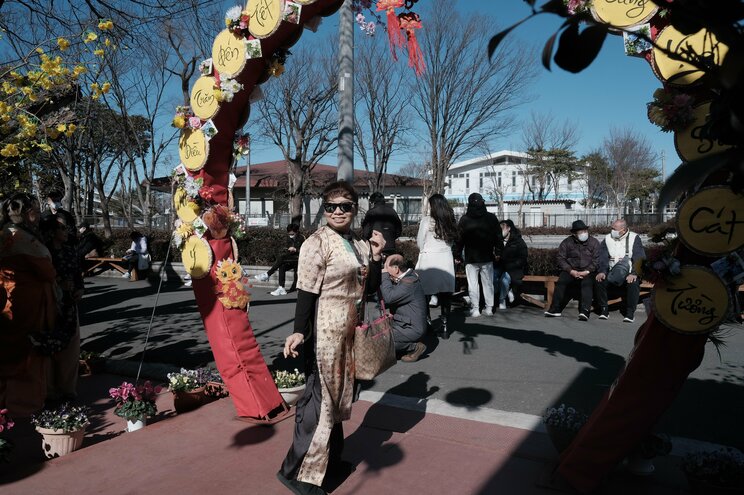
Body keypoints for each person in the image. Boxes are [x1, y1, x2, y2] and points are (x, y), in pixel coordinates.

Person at [278, 181, 385, 495]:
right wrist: (299, 330)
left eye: (345, 206)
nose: (338, 211)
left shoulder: (359, 243)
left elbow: (372, 287)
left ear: (354, 209)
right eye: (331, 206)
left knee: (339, 399)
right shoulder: (316, 242)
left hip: (350, 331)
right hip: (325, 330)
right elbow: (306, 292)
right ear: (323, 209)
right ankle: (300, 473)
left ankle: (330, 461)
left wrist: (377, 256)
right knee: (322, 402)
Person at [0, 193, 57, 416]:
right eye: (33, 210)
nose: (36, 215)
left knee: (7, 348)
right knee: (28, 350)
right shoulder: (21, 237)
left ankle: (6, 400)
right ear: (24, 213)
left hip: (8, 298)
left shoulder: (4, 233)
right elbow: (46, 269)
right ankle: (24, 403)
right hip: (25, 300)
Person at [40, 213, 84, 402]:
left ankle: (68, 388)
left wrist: (80, 289)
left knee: (71, 346)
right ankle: (49, 390)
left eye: (67, 227)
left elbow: (77, 273)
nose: (66, 231)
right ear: (51, 231)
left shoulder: (70, 250)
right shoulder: (43, 251)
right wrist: (58, 284)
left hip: (69, 304)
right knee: (50, 344)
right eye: (62, 228)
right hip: (49, 304)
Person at [415, 194, 458, 338]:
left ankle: (427, 324)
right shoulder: (450, 221)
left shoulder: (426, 221)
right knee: (446, 294)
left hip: (429, 260)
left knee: (425, 293)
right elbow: (452, 242)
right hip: (445, 259)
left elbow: (420, 242)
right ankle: (445, 326)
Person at [454, 193, 501, 318]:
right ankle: (489, 308)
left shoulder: (464, 219)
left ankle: (475, 309)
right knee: (488, 283)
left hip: (471, 257)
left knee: (473, 283)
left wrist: (457, 254)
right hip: (487, 256)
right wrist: (498, 252)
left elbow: (459, 240)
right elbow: (498, 237)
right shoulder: (491, 218)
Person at [545, 220, 601, 321]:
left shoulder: (594, 242)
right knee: (561, 282)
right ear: (574, 234)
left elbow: (597, 260)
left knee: (587, 284)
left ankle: (585, 311)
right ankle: (555, 309)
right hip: (571, 270)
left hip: (588, 271)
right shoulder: (567, 242)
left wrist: (587, 271)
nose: (584, 233)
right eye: (580, 232)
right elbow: (560, 258)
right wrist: (570, 271)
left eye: (585, 231)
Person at [594, 219, 646, 322]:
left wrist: (634, 273)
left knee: (633, 283)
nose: (612, 230)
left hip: (630, 271)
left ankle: (630, 313)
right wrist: (602, 271)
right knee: (599, 280)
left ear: (622, 229)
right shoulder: (607, 238)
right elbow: (602, 257)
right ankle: (604, 309)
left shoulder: (634, 238)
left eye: (614, 228)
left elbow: (640, 257)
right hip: (612, 271)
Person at [380, 254, 427, 362]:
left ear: (396, 269)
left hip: (412, 328)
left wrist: (384, 276)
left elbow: (389, 298)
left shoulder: (409, 283)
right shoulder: (406, 278)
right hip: (403, 322)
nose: (384, 270)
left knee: (380, 341)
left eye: (386, 267)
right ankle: (401, 346)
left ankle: (414, 347)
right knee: (376, 330)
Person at [254, 223, 305, 296]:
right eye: (289, 234)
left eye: (292, 234)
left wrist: (296, 249)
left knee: (282, 258)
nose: (290, 236)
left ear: (296, 232)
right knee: (282, 266)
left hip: (299, 259)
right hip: (291, 259)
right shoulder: (288, 238)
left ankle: (268, 274)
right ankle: (281, 287)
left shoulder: (302, 238)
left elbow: (306, 251)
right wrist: (288, 250)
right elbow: (287, 249)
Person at [494, 219, 528, 310]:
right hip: (500, 266)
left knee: (504, 280)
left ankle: (502, 299)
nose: (500, 231)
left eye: (502, 229)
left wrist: (513, 265)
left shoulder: (518, 241)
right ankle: (500, 293)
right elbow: (496, 253)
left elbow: (523, 257)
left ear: (508, 228)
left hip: (514, 268)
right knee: (492, 276)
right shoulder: (498, 240)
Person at [361, 192, 402, 257]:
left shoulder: (371, 213)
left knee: (376, 265)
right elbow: (399, 230)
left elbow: (366, 233)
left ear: (373, 202)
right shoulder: (392, 212)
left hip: (376, 246)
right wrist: (391, 237)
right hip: (390, 246)